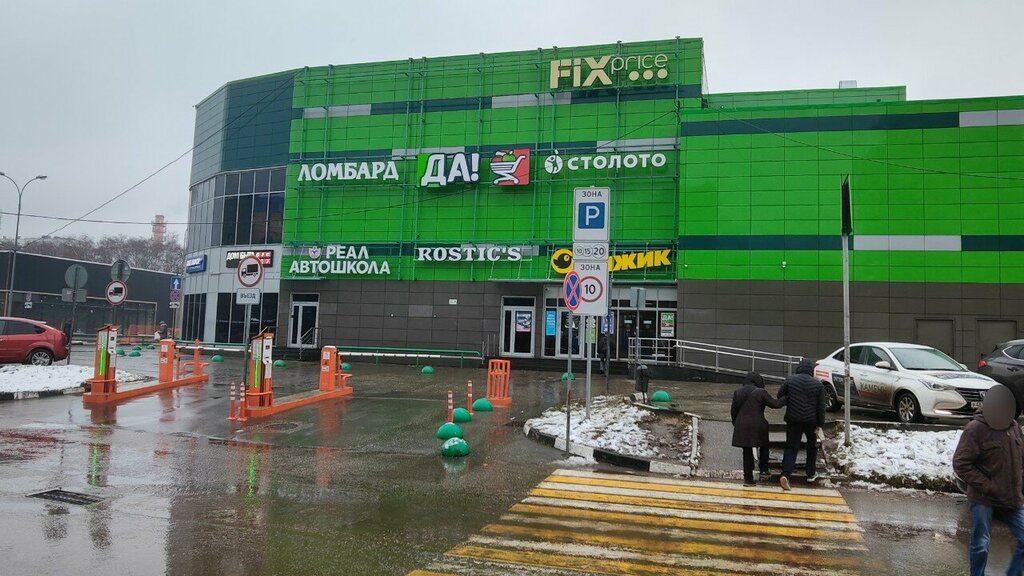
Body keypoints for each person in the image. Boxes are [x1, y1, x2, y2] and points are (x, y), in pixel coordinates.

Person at [952, 384, 1024, 576]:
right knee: (981, 545)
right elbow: (961, 463)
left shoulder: (1014, 427)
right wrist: (988, 486)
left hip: (1012, 497)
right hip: (984, 499)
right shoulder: (975, 429)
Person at [778, 358, 826, 491]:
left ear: (799, 368)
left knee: (791, 447)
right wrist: (820, 424)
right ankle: (810, 474)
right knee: (812, 447)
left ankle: (786, 474)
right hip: (811, 421)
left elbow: (779, 395)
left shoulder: (790, 380)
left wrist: (791, 397)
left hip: (793, 419)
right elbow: (821, 407)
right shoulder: (818, 384)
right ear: (811, 370)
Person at [731, 371, 786, 486]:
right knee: (764, 445)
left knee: (746, 451)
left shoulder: (738, 392)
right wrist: (786, 398)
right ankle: (764, 470)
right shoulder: (761, 392)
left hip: (742, 425)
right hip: (758, 424)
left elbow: (734, 411)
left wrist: (736, 423)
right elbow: (775, 404)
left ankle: (748, 479)